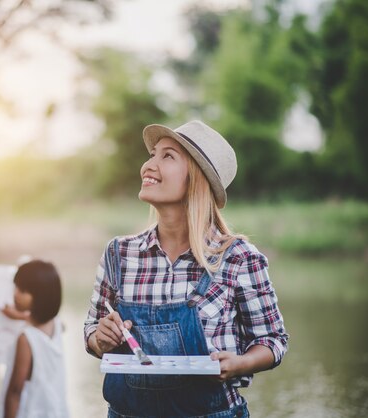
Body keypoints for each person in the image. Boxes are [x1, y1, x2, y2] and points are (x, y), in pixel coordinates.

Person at [84, 120, 289, 418]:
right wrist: (100, 338)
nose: (148, 165)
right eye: (152, 154)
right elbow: (92, 333)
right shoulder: (119, 254)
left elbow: (272, 340)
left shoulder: (239, 258)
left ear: (197, 178)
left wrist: (240, 363)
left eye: (167, 156)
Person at [0, 260, 69, 418]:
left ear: (40, 297)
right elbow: (54, 322)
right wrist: (20, 315)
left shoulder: (26, 339)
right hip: (55, 410)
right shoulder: (57, 325)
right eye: (16, 287)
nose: (15, 294)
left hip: (30, 412)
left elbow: (15, 392)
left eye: (22, 291)